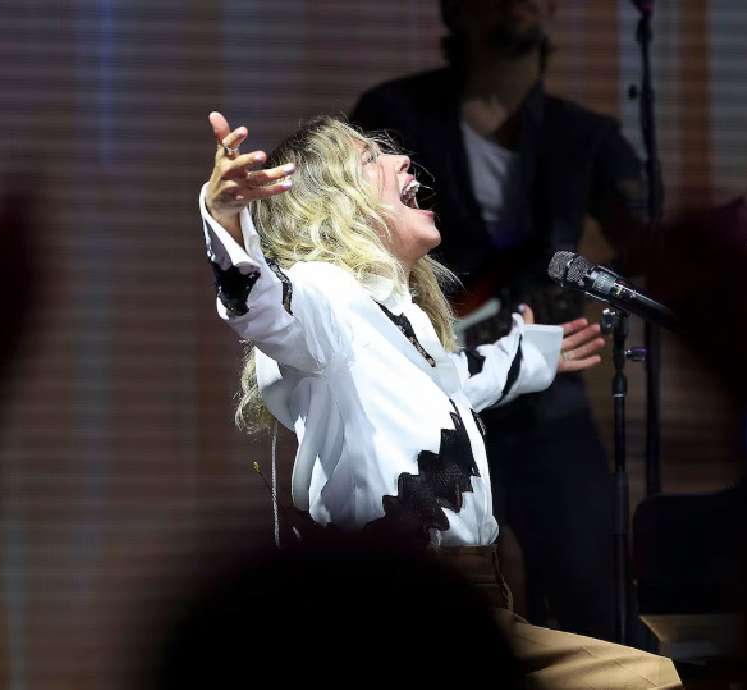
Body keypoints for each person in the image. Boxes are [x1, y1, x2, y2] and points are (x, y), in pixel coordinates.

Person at [349, 0, 747, 639]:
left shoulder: (584, 136)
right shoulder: (394, 115)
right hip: (429, 385)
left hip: (543, 396)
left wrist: (738, 228)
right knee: (414, 603)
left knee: (598, 603)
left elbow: (651, 248)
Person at [198, 109, 682, 689]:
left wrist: (529, 356)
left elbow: (450, 383)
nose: (401, 159)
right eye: (369, 159)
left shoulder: (404, 323)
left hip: (471, 596)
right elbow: (265, 308)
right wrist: (226, 218)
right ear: (332, 203)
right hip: (395, 605)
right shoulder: (323, 294)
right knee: (646, 680)